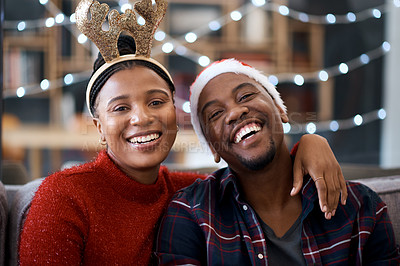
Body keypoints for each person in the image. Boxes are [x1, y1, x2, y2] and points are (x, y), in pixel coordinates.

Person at [19, 1, 346, 264]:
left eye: (156, 101)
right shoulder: (65, 195)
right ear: (99, 128)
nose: (142, 118)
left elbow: (265, 176)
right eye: (121, 108)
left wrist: (310, 144)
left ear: (175, 113)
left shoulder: (195, 193)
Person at [155, 59, 400, 265]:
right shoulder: (192, 213)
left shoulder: (360, 207)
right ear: (211, 147)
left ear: (279, 108)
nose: (235, 112)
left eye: (246, 95)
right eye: (215, 114)